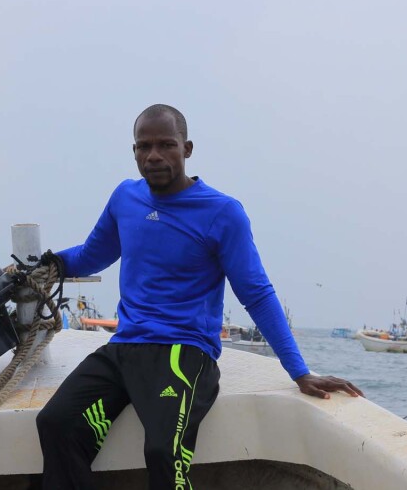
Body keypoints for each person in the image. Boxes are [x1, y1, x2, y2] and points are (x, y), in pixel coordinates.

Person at [36, 104, 363, 490]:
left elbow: (256, 294)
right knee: (55, 422)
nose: (153, 156)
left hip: (184, 352)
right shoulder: (125, 198)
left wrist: (299, 371)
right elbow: (92, 255)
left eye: (166, 145)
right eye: (144, 146)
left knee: (163, 450)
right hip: (124, 348)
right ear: (134, 151)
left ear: (187, 149)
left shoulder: (222, 213)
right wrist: (47, 265)